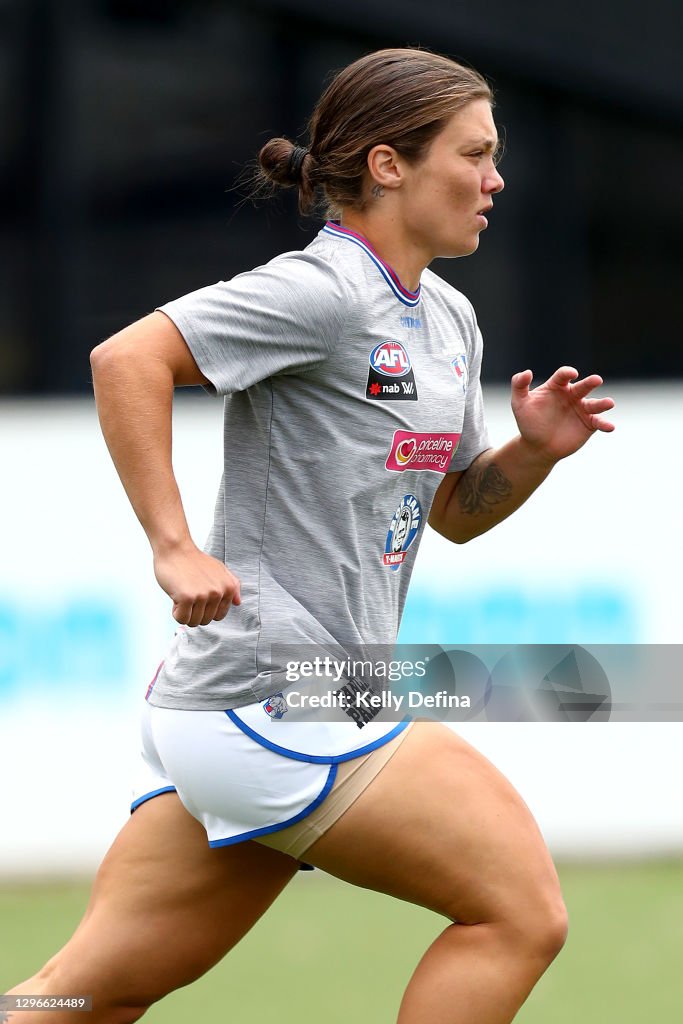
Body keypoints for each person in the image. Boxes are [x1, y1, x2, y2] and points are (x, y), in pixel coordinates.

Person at [7, 47, 615, 1024]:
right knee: (518, 911)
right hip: (280, 690)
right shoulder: (323, 290)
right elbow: (127, 358)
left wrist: (533, 454)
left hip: (242, 706)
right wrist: (172, 544)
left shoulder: (449, 320)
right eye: (474, 154)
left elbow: (454, 512)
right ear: (387, 166)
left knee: (82, 996)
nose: (495, 178)